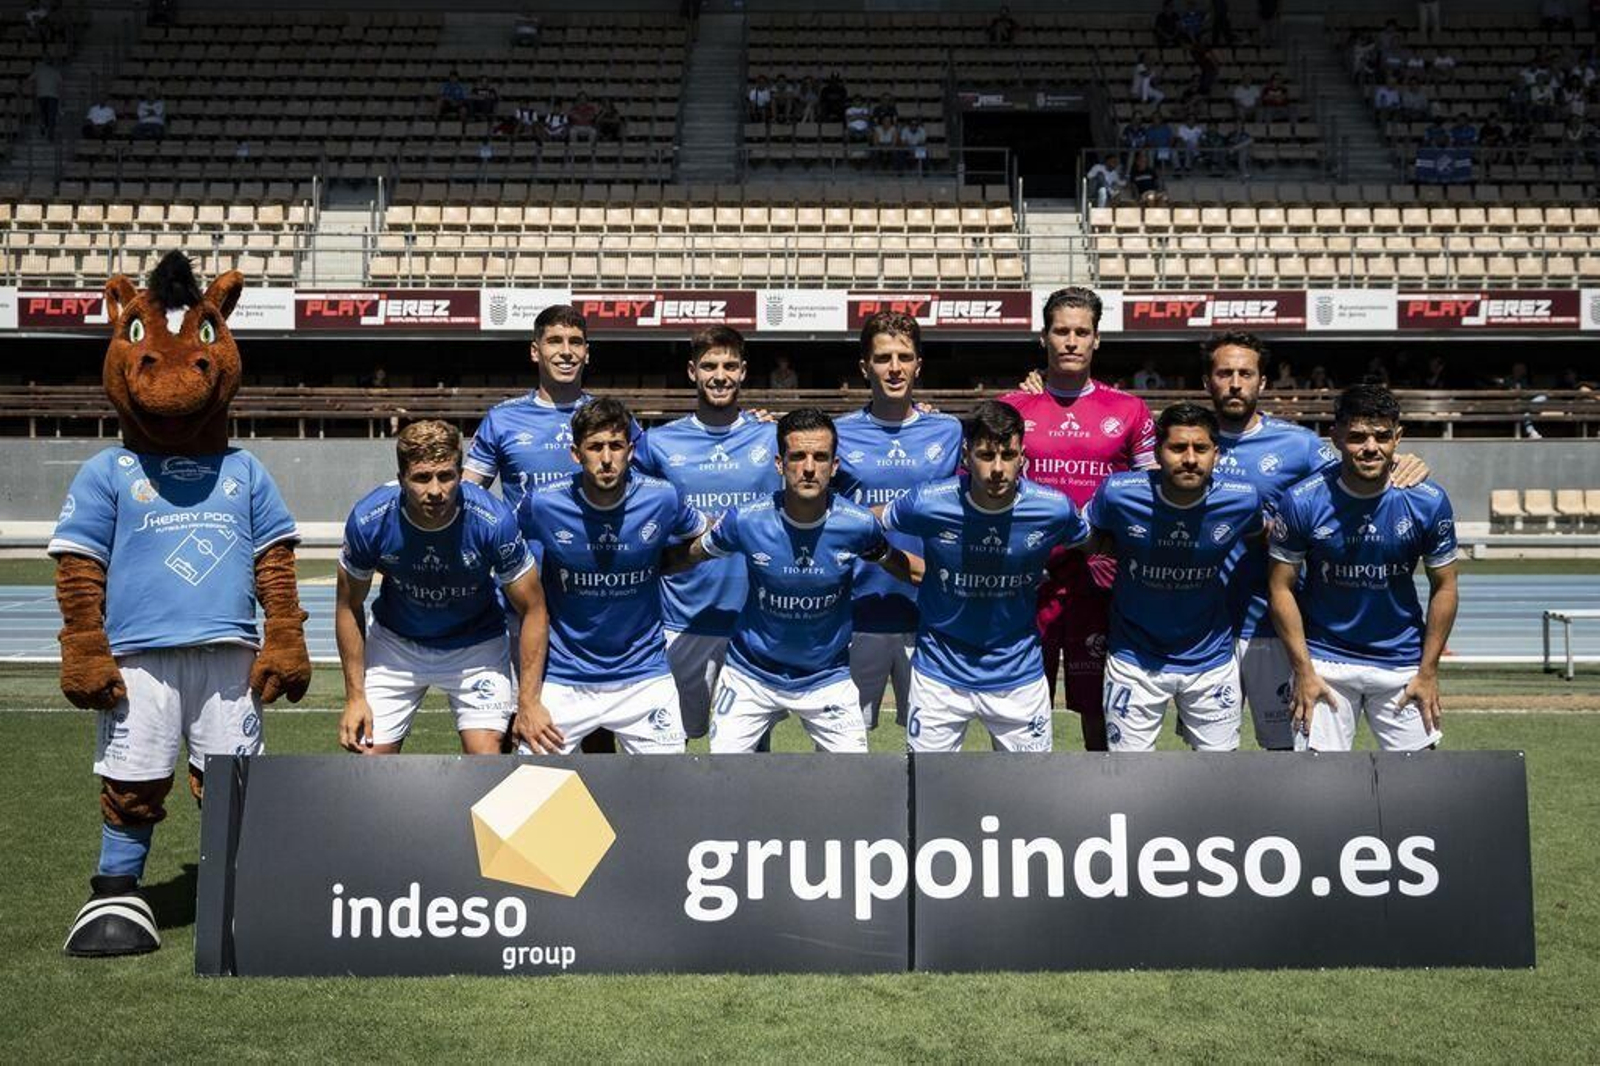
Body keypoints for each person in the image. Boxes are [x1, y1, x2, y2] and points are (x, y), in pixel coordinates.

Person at [1201, 333, 1427, 749]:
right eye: (1224, 373)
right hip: (1200, 629)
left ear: (1262, 383)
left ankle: (1282, 819)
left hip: (1268, 625)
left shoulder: (1300, 445)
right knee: (1212, 753)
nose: (1235, 383)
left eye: (1245, 373)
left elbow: (1361, 467)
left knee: (1285, 752)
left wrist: (1405, 463)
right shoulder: (1188, 442)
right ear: (1207, 381)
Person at [677, 409, 919, 753]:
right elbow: (691, 554)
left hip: (826, 678)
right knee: (725, 780)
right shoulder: (745, 520)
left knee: (854, 785)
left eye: (820, 457)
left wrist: (951, 579)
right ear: (779, 463)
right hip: (751, 674)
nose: (809, 467)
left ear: (834, 466)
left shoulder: (858, 525)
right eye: (798, 456)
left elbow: (899, 565)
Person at [882, 401, 1090, 753]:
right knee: (929, 788)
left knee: (1028, 793)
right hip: (939, 674)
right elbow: (868, 523)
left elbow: (1093, 542)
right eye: (986, 455)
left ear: (1022, 455)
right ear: (966, 455)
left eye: (1008, 455)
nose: (997, 468)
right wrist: (889, 559)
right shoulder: (928, 501)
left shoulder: (1053, 508)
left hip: (1018, 676)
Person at [1001, 287, 1157, 751]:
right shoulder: (1012, 407)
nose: (1071, 341)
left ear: (1096, 340)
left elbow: (1150, 494)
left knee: (1101, 713)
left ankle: (1103, 809)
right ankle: (1026, 812)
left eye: (1081, 332)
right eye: (1061, 331)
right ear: (1043, 337)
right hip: (1030, 580)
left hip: (1102, 580)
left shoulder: (1128, 410)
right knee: (1023, 712)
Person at [1268, 384, 1459, 752]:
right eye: (1357, 436)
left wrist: (1428, 670)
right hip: (1325, 661)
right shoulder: (1302, 500)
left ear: (1397, 437)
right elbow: (1280, 587)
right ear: (1336, 437)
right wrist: (1304, 670)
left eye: (1382, 436)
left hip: (1402, 663)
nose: (1370, 447)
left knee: (1420, 786)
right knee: (1318, 787)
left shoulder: (1428, 501)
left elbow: (1446, 587)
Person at [334, 421, 543, 755]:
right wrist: (355, 697)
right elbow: (347, 605)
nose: (435, 490)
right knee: (367, 758)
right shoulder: (369, 519)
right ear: (402, 478)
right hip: (396, 645)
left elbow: (533, 608)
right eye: (421, 478)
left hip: (477, 646)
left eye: (446, 476)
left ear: (460, 473)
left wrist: (529, 700)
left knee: (487, 761)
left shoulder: (493, 520)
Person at [515, 399, 706, 755]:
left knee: (669, 796)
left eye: (616, 446)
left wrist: (666, 561)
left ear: (631, 451)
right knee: (531, 792)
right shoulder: (542, 503)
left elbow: (703, 534)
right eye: (595, 447)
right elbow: (504, 545)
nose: (606, 458)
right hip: (565, 676)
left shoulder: (662, 497)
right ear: (576, 453)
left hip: (644, 675)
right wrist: (527, 702)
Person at [631, 326, 781, 742]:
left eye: (730, 366)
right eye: (710, 366)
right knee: (672, 744)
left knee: (750, 750)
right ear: (692, 371)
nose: (720, 375)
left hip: (753, 619)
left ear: (744, 372)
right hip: (681, 618)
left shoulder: (771, 437)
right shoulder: (657, 443)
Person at [1086, 403, 1262, 752]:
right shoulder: (1119, 492)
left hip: (1211, 660)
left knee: (1219, 775)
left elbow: (1261, 540)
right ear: (1156, 452)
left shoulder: (1242, 499)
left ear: (1217, 452)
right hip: (1133, 658)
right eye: (1178, 448)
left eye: (1201, 448)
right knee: (1131, 776)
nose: (1190, 459)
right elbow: (1088, 537)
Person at [833, 312, 963, 731]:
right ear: (864, 366)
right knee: (845, 749)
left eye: (904, 357)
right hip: (857, 613)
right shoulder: (838, 434)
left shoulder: (948, 431)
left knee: (930, 750)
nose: (894, 368)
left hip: (928, 615)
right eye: (883, 357)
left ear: (918, 365)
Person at [31, 58, 61, 141]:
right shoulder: (55, 71)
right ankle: (49, 132)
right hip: (52, 96)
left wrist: (20, 87)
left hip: (42, 95)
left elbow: (29, 80)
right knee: (51, 115)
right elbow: (61, 85)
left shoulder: (39, 70)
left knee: (43, 113)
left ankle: (44, 127)